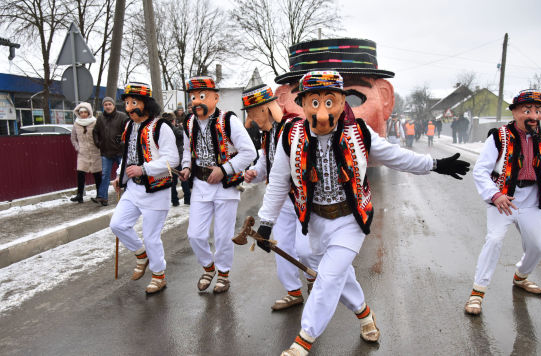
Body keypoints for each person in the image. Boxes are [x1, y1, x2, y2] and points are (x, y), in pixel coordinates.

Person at [255, 70, 470, 355]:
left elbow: (396, 157)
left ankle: (303, 340)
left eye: (329, 101)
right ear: (303, 104)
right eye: (314, 102)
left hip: (349, 220)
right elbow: (279, 181)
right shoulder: (290, 137)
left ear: (342, 102)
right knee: (317, 261)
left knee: (329, 276)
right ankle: (365, 313)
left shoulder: (359, 133)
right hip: (312, 220)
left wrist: (435, 164)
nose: (322, 111)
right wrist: (266, 223)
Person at [465, 89, 541, 316]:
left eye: (538, 111)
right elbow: (480, 171)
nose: (534, 116)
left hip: (531, 201)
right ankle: (477, 293)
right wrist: (495, 195)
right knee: (494, 240)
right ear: (516, 112)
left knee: (538, 246)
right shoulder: (498, 137)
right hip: (503, 200)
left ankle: (521, 277)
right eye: (528, 111)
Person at [241, 83, 316, 310]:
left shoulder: (294, 127)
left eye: (254, 113)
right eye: (250, 114)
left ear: (267, 108)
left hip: (303, 198)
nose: (252, 119)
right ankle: (293, 292)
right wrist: (254, 173)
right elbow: (267, 163)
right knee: (282, 246)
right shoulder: (268, 135)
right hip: (281, 201)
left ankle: (315, 282)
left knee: (305, 248)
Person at [180, 76, 256, 294]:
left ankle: (223, 273)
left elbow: (249, 152)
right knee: (195, 234)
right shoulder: (189, 122)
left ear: (215, 97)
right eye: (193, 97)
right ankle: (208, 267)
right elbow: (187, 150)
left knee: (223, 236)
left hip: (225, 187)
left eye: (201, 96)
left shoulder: (228, 120)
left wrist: (224, 170)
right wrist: (186, 167)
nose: (196, 101)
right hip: (200, 185)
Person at [109, 82, 180, 294]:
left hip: (156, 191)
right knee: (118, 224)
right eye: (127, 104)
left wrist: (144, 169)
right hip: (133, 189)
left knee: (151, 237)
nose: (129, 108)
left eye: (134, 103)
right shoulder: (130, 126)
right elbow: (128, 156)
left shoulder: (161, 127)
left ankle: (159, 275)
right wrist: (120, 177)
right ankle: (142, 255)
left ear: (146, 104)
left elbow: (173, 160)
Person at [93, 97, 128, 206]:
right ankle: (102, 197)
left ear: (113, 105)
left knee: (124, 174)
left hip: (119, 152)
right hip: (106, 152)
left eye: (109, 104)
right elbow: (95, 132)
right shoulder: (100, 118)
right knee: (105, 175)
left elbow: (128, 130)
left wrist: (123, 140)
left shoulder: (122, 116)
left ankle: (129, 195)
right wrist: (98, 143)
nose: (108, 106)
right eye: (105, 105)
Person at [70, 102, 102, 203]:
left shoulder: (95, 122)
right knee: (80, 173)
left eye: (85, 112)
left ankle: (100, 194)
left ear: (89, 112)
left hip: (95, 152)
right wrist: (78, 148)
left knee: (97, 174)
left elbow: (101, 135)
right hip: (82, 153)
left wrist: (99, 146)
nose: (83, 114)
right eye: (81, 112)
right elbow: (73, 138)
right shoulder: (76, 123)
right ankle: (80, 195)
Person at [165, 111, 191, 206]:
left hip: (170, 159)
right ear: (173, 121)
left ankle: (174, 201)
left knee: (172, 181)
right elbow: (184, 136)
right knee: (183, 179)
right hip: (179, 157)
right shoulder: (175, 129)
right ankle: (187, 199)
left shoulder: (163, 131)